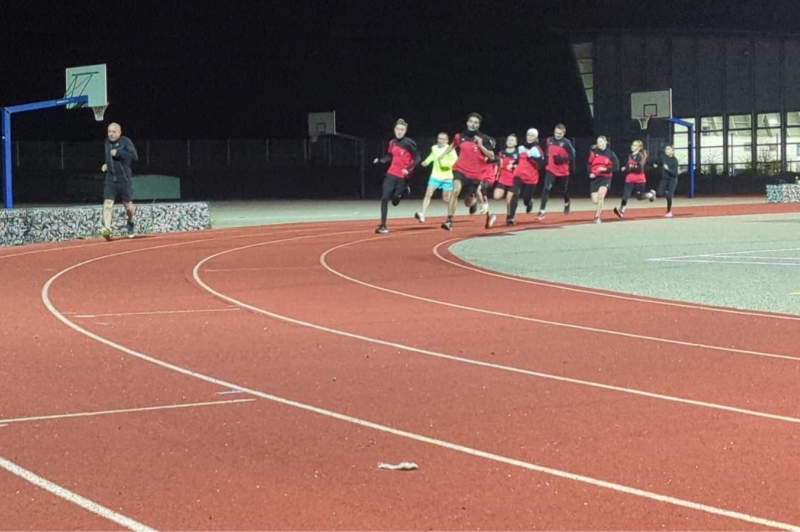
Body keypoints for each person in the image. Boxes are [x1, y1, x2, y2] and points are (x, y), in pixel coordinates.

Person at [437, 112, 496, 231]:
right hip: (460, 169)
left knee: (468, 202)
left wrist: (481, 145)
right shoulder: (460, 136)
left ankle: (488, 214)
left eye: (476, 123)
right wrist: (443, 155)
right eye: (471, 122)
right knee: (455, 191)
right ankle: (449, 221)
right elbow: (453, 145)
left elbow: (492, 156)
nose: (473, 124)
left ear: (479, 125)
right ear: (467, 122)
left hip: (475, 173)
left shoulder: (483, 138)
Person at [373, 118, 420, 234]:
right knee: (384, 197)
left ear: (405, 130)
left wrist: (408, 169)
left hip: (403, 176)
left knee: (394, 201)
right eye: (398, 129)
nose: (399, 131)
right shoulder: (392, 142)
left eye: (402, 129)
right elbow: (389, 155)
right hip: (391, 173)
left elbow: (418, 158)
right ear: (394, 130)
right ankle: (383, 225)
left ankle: (402, 192)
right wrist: (380, 161)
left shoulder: (409, 143)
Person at [100, 122, 138, 240]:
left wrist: (119, 153)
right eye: (109, 132)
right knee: (107, 204)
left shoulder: (125, 141)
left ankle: (130, 223)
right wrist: (106, 164)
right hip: (111, 178)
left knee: (129, 208)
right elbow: (109, 157)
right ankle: (107, 229)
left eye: (113, 132)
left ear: (119, 132)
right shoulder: (106, 142)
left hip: (124, 179)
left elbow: (134, 156)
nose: (110, 134)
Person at [415, 132, 458, 223]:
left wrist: (445, 165)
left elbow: (455, 161)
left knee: (446, 199)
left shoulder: (450, 149)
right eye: (439, 138)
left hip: (447, 177)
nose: (441, 141)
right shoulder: (434, 148)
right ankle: (422, 214)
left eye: (443, 139)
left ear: (447, 140)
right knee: (428, 193)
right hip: (435, 175)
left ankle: (451, 212)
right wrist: (426, 162)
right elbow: (432, 156)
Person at [536, 123, 575, 219]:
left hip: (563, 171)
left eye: (560, 133)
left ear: (563, 133)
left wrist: (562, 159)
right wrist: (545, 160)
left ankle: (567, 202)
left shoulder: (566, 143)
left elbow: (573, 156)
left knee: (563, 190)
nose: (557, 135)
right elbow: (547, 151)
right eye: (556, 132)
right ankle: (542, 211)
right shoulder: (549, 140)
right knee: (546, 188)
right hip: (551, 169)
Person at [613, 139, 656, 218]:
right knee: (625, 195)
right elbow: (629, 166)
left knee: (639, 197)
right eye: (632, 145)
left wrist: (630, 167)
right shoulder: (630, 156)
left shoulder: (641, 156)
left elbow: (639, 168)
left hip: (639, 179)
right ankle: (621, 211)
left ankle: (651, 194)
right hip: (629, 179)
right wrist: (625, 168)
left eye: (635, 145)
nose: (632, 146)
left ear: (639, 148)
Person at [587, 135, 619, 223]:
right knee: (595, 200)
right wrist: (590, 173)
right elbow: (589, 164)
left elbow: (616, 167)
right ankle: (598, 209)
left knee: (601, 196)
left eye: (601, 141)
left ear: (606, 142)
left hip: (606, 177)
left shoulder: (610, 153)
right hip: (595, 178)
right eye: (598, 142)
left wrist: (606, 169)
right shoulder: (593, 152)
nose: (600, 144)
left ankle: (597, 216)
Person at [515, 128, 544, 218]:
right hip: (519, 175)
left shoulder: (537, 149)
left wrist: (530, 156)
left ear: (536, 138)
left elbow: (541, 162)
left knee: (526, 200)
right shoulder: (520, 148)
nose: (530, 137)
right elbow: (516, 159)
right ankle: (511, 216)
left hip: (531, 177)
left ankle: (529, 202)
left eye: (532, 136)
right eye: (528, 135)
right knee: (514, 193)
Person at [653, 144, 679, 217]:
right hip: (664, 179)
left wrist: (668, 169)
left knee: (669, 196)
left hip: (672, 179)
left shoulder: (675, 160)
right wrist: (655, 164)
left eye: (668, 149)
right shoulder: (663, 158)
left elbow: (675, 173)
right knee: (659, 193)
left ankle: (669, 211)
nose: (666, 151)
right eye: (666, 149)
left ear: (672, 151)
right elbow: (657, 161)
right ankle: (663, 192)